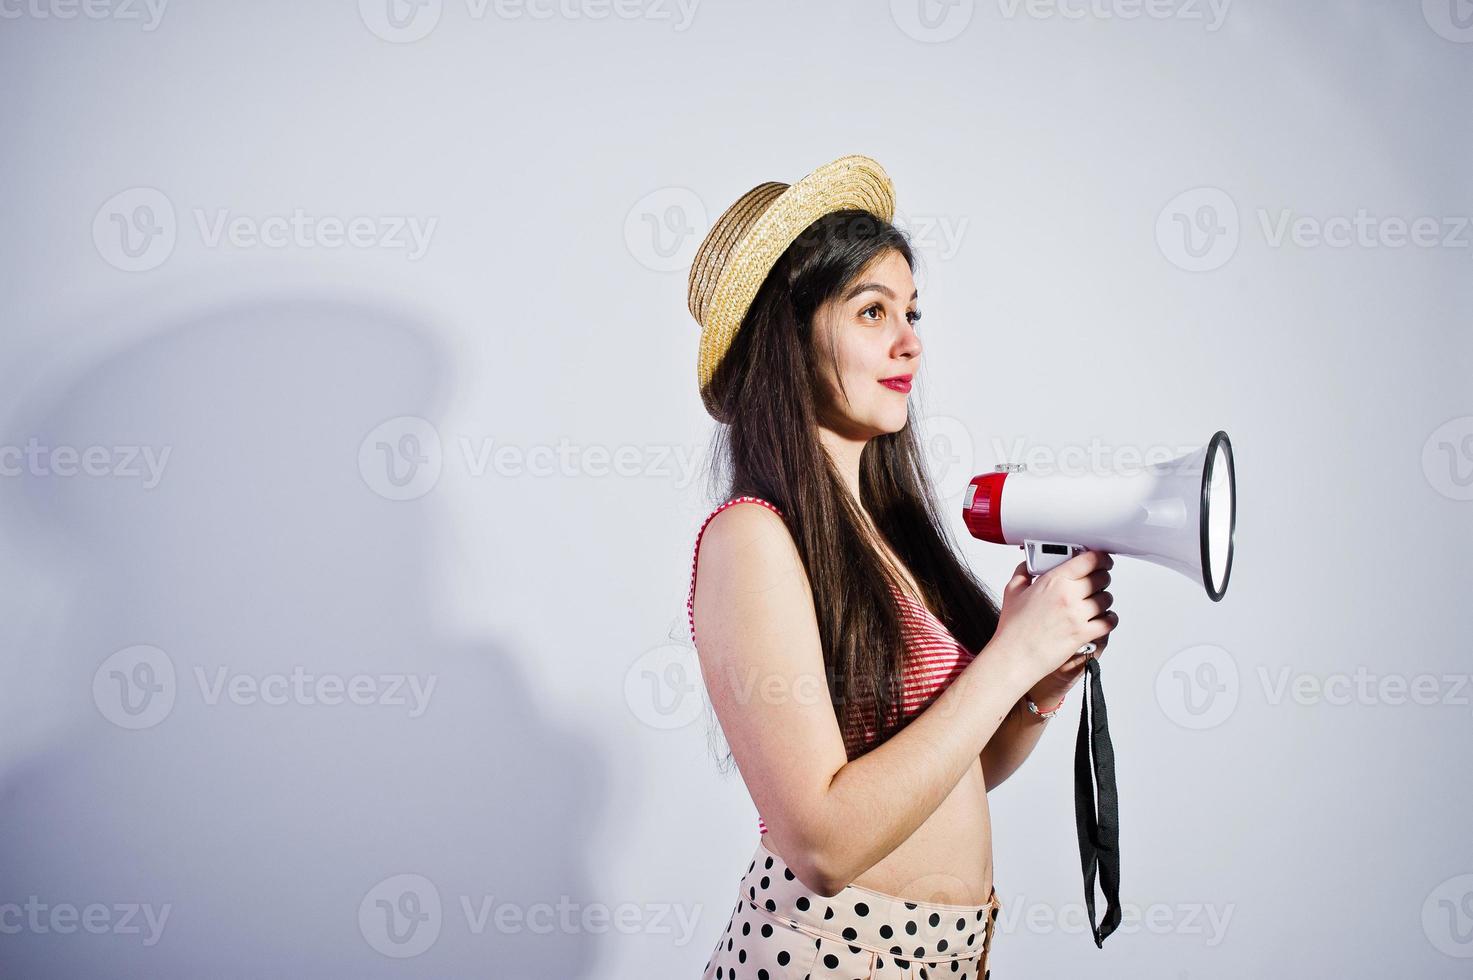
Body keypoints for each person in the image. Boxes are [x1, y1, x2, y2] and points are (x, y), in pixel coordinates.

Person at [685, 154, 1119, 979]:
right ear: (787, 335)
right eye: (872, 311)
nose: (909, 342)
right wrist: (1012, 655)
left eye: (912, 312)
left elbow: (949, 774)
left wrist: (1038, 688)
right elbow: (822, 842)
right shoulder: (751, 539)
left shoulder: (885, 537)